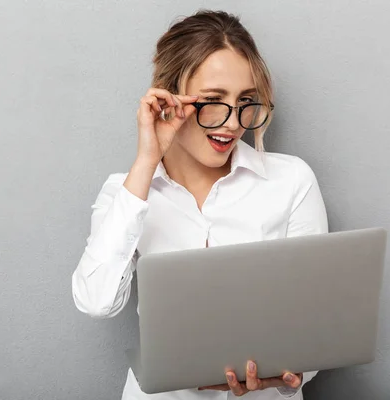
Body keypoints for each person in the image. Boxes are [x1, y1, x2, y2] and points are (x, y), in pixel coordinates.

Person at [72, 9, 328, 400]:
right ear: (169, 97)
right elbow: (97, 302)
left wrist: (291, 377)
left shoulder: (291, 181)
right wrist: (146, 162)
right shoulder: (126, 191)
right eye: (212, 101)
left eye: (245, 101)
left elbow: (315, 327)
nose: (231, 123)